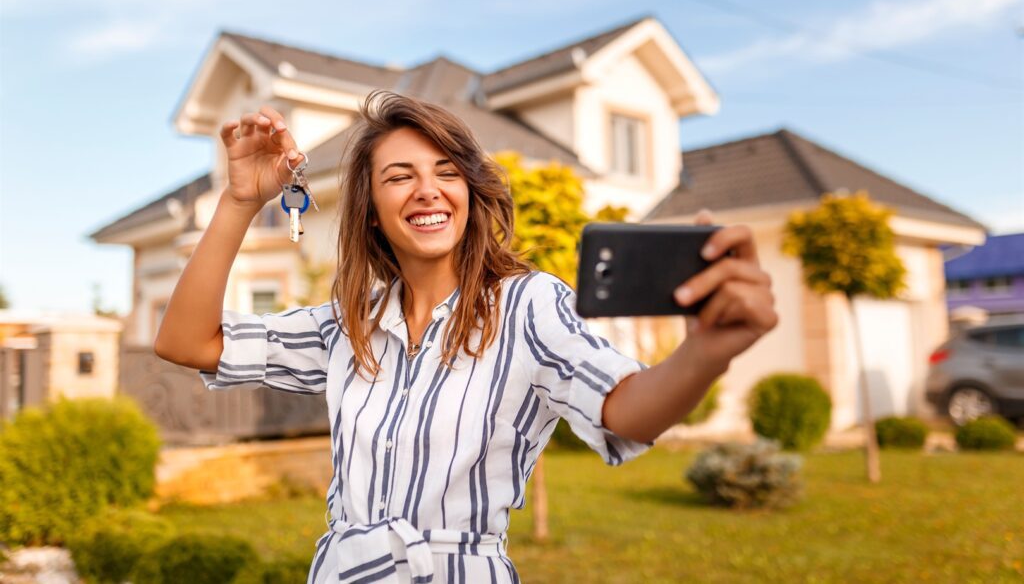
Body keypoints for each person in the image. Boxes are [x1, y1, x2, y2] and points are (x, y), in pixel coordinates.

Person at [154, 90, 778, 583]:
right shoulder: (349, 324)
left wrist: (706, 352)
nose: (428, 189)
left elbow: (627, 411)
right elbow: (187, 342)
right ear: (371, 207)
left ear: (469, 193)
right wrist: (239, 202)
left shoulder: (528, 305)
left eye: (446, 171)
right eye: (399, 176)